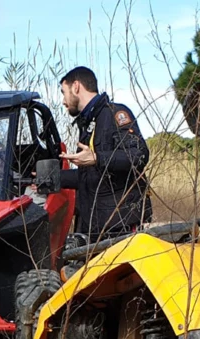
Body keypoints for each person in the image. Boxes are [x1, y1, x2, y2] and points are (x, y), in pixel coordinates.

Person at [54, 66, 151, 238]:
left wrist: (97, 158)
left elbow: (139, 155)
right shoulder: (88, 124)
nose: (63, 100)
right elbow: (90, 176)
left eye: (64, 92)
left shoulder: (115, 113)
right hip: (95, 227)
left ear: (76, 86)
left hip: (120, 227)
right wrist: (50, 178)